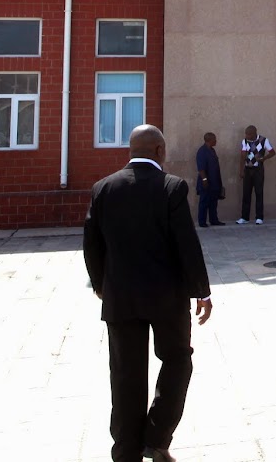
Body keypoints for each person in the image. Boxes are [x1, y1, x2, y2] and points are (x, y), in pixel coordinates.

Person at [83, 124, 213, 462]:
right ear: (159, 150)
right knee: (178, 360)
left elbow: (91, 244)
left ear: (131, 150)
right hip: (166, 297)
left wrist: (100, 285)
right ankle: (155, 437)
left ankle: (126, 451)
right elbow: (187, 244)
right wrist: (202, 291)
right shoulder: (171, 187)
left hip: (121, 297)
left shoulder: (103, 188)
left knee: (125, 374)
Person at [237, 124, 275, 224]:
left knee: (259, 193)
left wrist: (264, 158)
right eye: (246, 134)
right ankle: (244, 217)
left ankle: (259, 217)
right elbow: (242, 156)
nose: (247, 136)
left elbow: (272, 152)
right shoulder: (244, 141)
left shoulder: (264, 140)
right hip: (247, 169)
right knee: (246, 193)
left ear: (254, 133)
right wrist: (241, 171)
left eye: (249, 134)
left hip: (258, 170)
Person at [195, 132, 225, 227]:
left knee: (213, 202)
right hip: (206, 182)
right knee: (204, 202)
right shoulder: (202, 151)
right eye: (214, 139)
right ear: (209, 140)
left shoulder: (212, 150)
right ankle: (202, 222)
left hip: (214, 182)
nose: (216, 141)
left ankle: (214, 220)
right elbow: (201, 168)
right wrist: (204, 180)